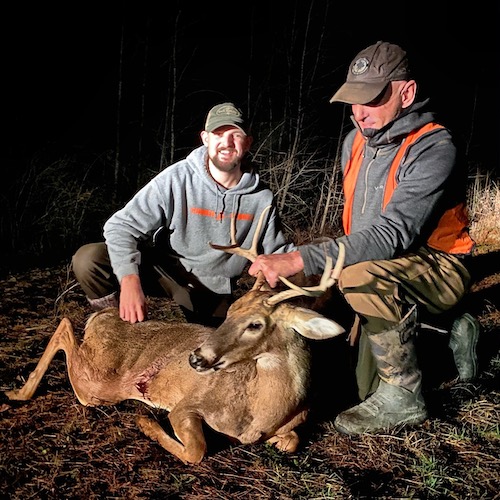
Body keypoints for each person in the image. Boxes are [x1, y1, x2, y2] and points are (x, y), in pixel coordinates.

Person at [248, 41, 480, 435]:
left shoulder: (435, 146)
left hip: (439, 264)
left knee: (357, 278)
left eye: (372, 99)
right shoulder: (354, 142)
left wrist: (302, 257)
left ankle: (405, 394)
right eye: (354, 100)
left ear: (406, 93)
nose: (359, 112)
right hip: (383, 260)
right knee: (347, 382)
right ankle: (442, 328)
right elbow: (362, 229)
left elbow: (393, 234)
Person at [72, 102, 294, 326]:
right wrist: (129, 279)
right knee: (89, 260)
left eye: (235, 135)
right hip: (165, 270)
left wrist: (315, 260)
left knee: (211, 352)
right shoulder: (177, 178)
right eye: (218, 134)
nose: (226, 143)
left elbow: (279, 253)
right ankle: (114, 327)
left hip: (211, 289)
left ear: (247, 143)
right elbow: (120, 226)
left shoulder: (261, 198)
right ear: (205, 138)